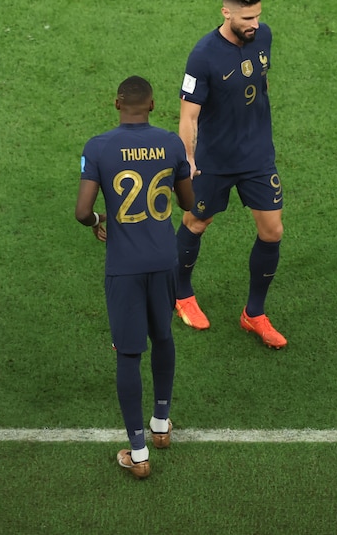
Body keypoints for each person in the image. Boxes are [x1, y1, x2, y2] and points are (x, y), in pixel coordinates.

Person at [75, 76, 195, 478]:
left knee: (128, 354)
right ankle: (161, 426)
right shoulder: (171, 144)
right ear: (153, 105)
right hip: (164, 261)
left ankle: (139, 454)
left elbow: (82, 212)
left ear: (116, 104)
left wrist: (97, 220)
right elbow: (188, 202)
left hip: (124, 267)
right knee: (163, 337)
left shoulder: (98, 147)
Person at [175, 0, 287, 349]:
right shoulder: (203, 55)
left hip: (257, 156)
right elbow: (189, 116)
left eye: (258, 16)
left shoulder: (263, 36)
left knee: (272, 231)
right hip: (214, 160)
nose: (255, 24)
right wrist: (187, 158)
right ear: (226, 12)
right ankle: (181, 293)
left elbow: (261, 83)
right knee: (197, 222)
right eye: (247, 18)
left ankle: (254, 314)